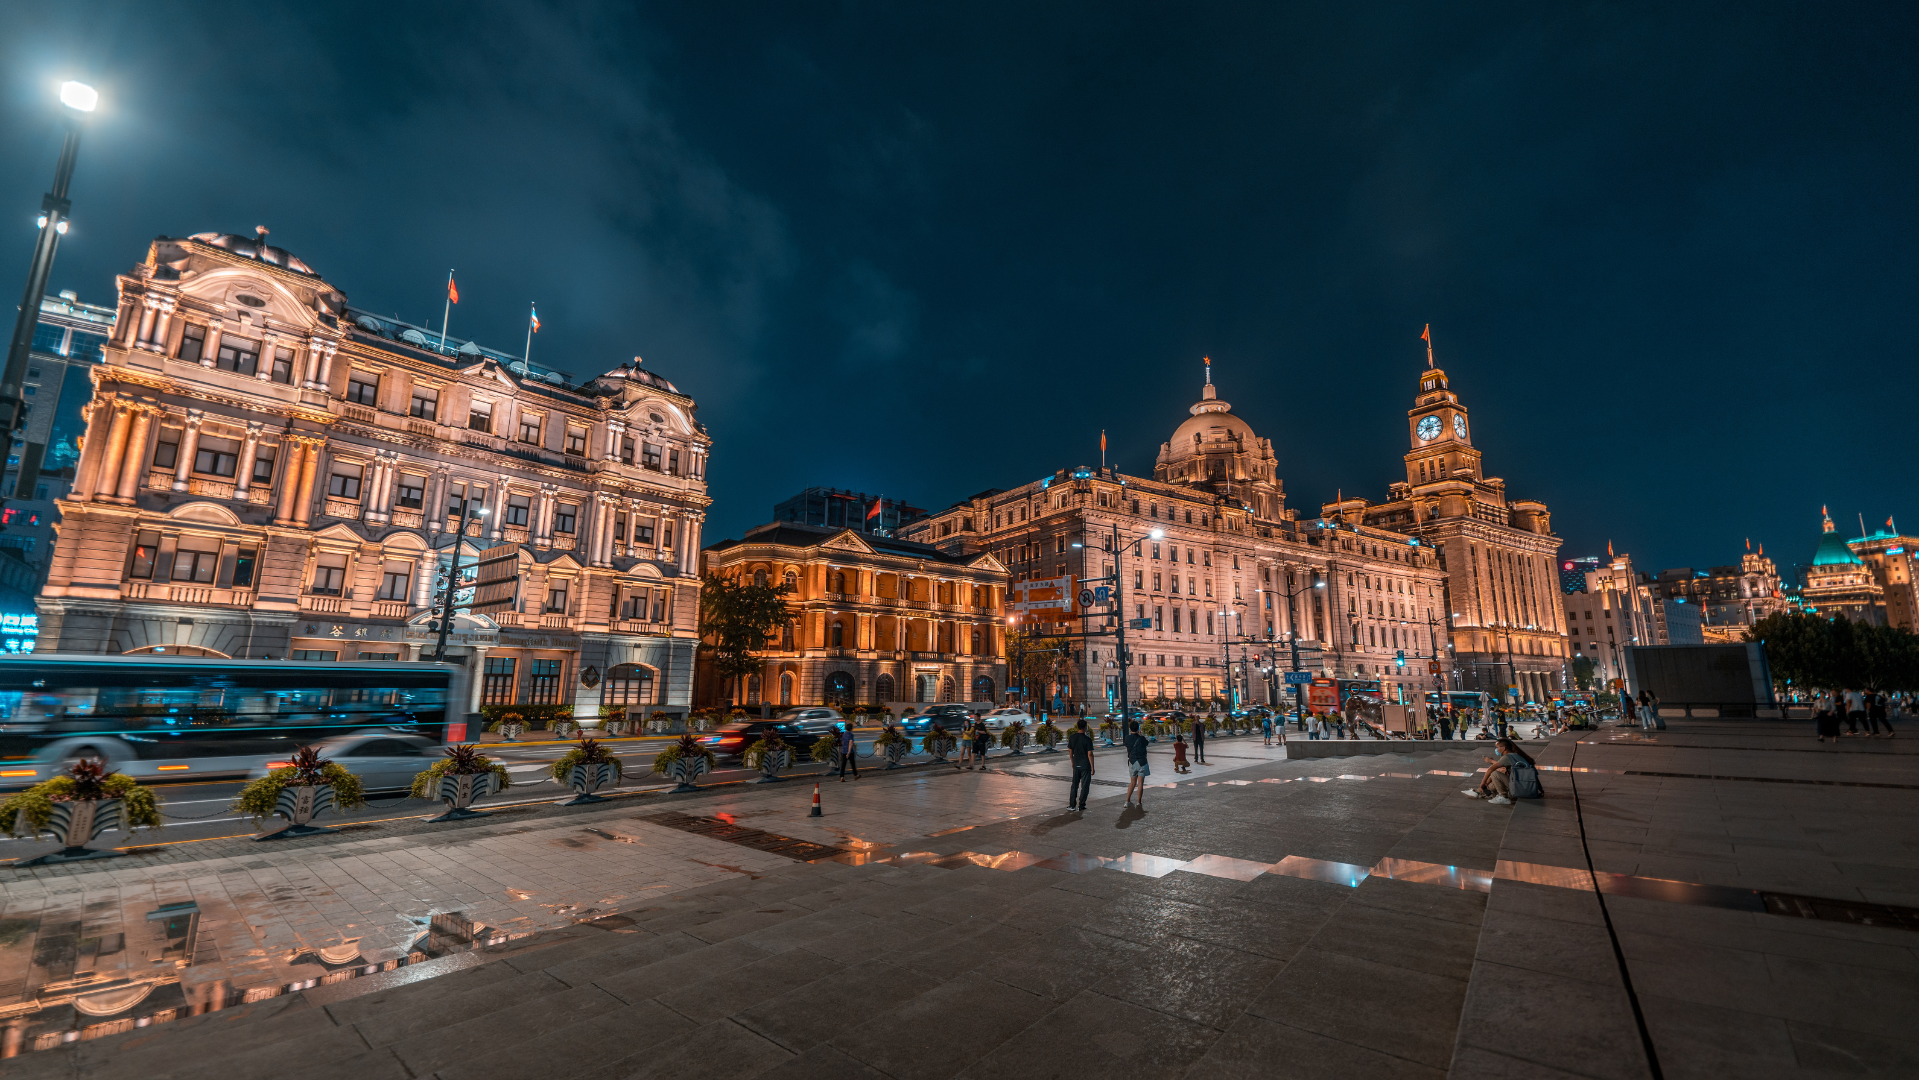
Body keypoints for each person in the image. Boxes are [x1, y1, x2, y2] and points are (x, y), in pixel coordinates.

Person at [1462, 737, 1531, 804]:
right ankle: (1478, 792)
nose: (1496, 749)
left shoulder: (1508, 757)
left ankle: (1504, 797)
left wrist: (1483, 782)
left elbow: (1491, 769)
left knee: (1494, 773)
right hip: (1524, 786)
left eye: (1497, 747)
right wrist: (1487, 783)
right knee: (1497, 776)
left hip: (1520, 787)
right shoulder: (1515, 755)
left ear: (1503, 748)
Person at [1067, 718, 1095, 811]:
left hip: (1076, 764)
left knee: (1074, 785)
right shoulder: (1087, 739)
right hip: (1085, 765)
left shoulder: (1072, 737)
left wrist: (1072, 761)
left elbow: (1070, 751)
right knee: (1085, 785)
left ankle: (1072, 805)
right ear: (1085, 727)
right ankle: (1081, 805)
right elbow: (1090, 754)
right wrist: (1092, 767)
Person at [1124, 719, 1150, 807]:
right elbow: (1146, 743)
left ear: (1130, 728)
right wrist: (1140, 735)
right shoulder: (1141, 738)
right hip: (1141, 762)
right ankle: (1139, 802)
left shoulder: (1127, 738)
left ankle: (1127, 801)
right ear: (1138, 728)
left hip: (1132, 762)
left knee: (1132, 783)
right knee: (1140, 784)